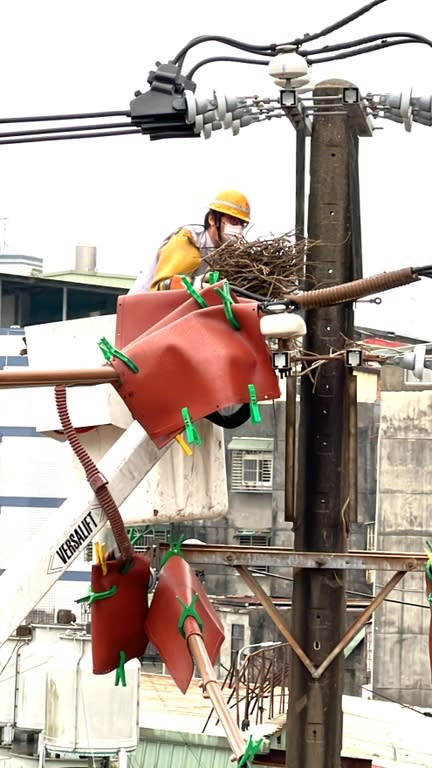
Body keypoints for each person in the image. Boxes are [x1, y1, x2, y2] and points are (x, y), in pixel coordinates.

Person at [128, 189, 251, 293]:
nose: (238, 227)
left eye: (242, 223)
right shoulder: (189, 240)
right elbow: (162, 287)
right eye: (232, 220)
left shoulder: (227, 258)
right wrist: (195, 284)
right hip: (141, 311)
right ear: (212, 219)